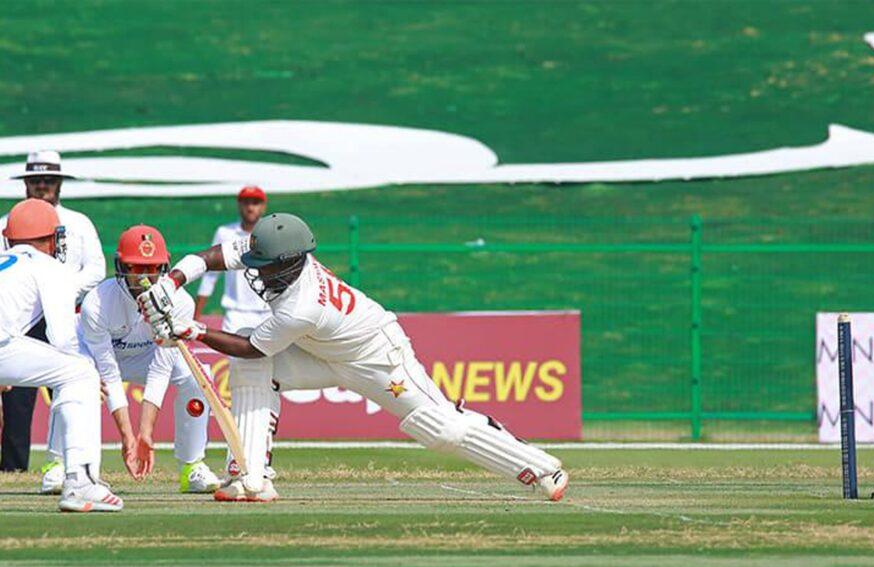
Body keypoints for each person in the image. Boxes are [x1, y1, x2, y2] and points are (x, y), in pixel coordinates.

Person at [136, 213, 568, 502]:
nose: (255, 270)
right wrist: (173, 281)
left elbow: (253, 345)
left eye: (263, 265)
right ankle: (251, 476)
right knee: (251, 369)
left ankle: (540, 468)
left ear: (286, 262)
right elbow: (214, 257)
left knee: (439, 428)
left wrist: (192, 330)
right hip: (322, 351)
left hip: (378, 357)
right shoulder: (281, 253)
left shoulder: (301, 304)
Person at [46, 225, 221, 494]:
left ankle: (192, 466)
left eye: (152, 268)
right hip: (97, 357)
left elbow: (161, 370)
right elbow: (109, 373)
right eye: (136, 268)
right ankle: (58, 465)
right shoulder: (98, 302)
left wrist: (145, 434)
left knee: (198, 377)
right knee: (69, 376)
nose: (144, 278)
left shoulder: (181, 303)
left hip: (147, 356)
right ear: (120, 266)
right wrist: (128, 437)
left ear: (165, 267)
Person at [0, 199, 121, 512]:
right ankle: (79, 481)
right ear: (52, 239)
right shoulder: (51, 267)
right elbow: (63, 338)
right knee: (81, 372)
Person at [194, 185, 277, 479]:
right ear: (239, 205)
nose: (250, 208)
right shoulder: (225, 233)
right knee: (237, 389)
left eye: (255, 202)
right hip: (235, 316)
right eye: (245, 202)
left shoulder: (272, 234)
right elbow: (210, 276)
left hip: (268, 315)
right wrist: (196, 315)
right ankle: (236, 457)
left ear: (263, 206)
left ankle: (261, 457)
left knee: (269, 385)